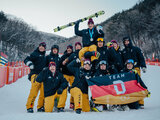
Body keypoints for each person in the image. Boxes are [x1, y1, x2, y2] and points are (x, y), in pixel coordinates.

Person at [122, 36, 147, 108]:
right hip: (127, 70)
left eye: (127, 41)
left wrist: (143, 66)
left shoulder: (136, 49)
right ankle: (132, 101)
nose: (126, 43)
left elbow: (141, 58)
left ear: (130, 41)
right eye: (125, 42)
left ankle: (141, 102)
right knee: (129, 86)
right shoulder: (123, 51)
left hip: (136, 68)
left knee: (138, 84)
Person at [24, 42, 46, 113]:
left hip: (43, 76)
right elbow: (26, 59)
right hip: (35, 74)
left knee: (43, 92)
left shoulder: (45, 56)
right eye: (40, 46)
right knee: (34, 91)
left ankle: (40, 106)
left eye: (43, 46)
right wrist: (30, 64)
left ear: (45, 48)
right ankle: (29, 106)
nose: (41, 47)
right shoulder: (34, 54)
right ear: (39, 46)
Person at [59, 45, 75, 109]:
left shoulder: (74, 56)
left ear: (72, 49)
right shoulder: (63, 56)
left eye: (70, 48)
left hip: (72, 75)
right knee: (64, 90)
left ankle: (72, 103)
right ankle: (61, 105)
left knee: (74, 89)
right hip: (65, 74)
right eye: (68, 48)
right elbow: (59, 65)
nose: (69, 49)